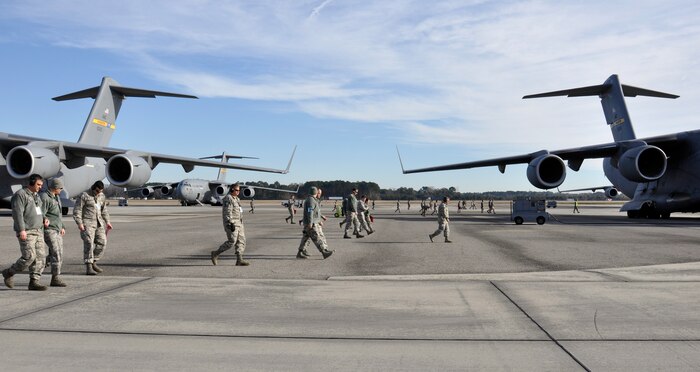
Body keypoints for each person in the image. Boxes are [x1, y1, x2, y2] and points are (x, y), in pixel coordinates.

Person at [2, 174, 48, 290]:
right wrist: (21, 230)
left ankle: (34, 281)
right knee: (29, 257)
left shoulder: (36, 196)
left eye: (41, 185)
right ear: (31, 183)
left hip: (38, 230)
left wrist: (44, 219)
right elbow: (17, 214)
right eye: (38, 184)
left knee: (40, 257)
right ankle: (9, 272)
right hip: (27, 231)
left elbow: (39, 211)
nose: (40, 187)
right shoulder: (21, 195)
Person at [74, 180, 112, 276]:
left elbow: (104, 210)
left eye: (101, 191)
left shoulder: (101, 196)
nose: (99, 193)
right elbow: (77, 210)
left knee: (102, 242)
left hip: (99, 223)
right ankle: (89, 266)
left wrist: (108, 221)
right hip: (87, 223)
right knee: (89, 244)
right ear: (94, 188)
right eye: (98, 191)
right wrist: (79, 223)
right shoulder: (84, 195)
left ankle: (94, 261)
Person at [211, 183, 249, 266]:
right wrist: (230, 222)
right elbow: (227, 212)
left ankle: (239, 259)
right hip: (232, 223)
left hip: (239, 223)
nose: (238, 192)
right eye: (236, 190)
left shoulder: (237, 199)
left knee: (241, 241)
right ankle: (215, 253)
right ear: (232, 190)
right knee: (232, 241)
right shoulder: (228, 198)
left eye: (239, 190)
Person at [40, 178, 67, 287]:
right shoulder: (45, 197)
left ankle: (42, 262)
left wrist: (62, 226)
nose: (61, 190)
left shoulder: (57, 197)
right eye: (60, 188)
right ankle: (55, 277)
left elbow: (58, 215)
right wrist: (44, 219)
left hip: (57, 229)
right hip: (49, 229)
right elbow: (40, 212)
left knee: (58, 252)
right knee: (56, 252)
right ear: (55, 188)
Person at [297, 186, 334, 259]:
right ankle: (324, 252)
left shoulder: (311, 199)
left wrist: (319, 219)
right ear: (315, 192)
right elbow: (310, 212)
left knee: (305, 238)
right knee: (316, 238)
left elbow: (314, 212)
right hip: (311, 223)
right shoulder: (311, 200)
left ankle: (300, 252)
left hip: (310, 222)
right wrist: (310, 223)